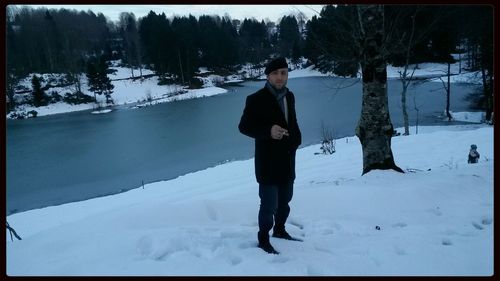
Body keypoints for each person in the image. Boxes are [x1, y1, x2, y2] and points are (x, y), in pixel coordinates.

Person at [238, 57, 302, 254]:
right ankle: (263, 239)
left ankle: (280, 230)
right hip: (267, 163)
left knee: (285, 200)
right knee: (269, 205)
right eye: (275, 73)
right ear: (267, 76)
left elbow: (293, 122)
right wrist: (268, 131)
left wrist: (296, 140)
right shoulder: (255, 99)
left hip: (287, 160)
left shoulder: (289, 96)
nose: (280, 77)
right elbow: (244, 127)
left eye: (283, 73)